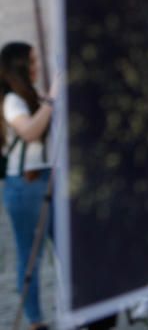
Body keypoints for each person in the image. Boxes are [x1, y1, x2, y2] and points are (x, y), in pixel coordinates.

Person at [2, 42, 54, 330]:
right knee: (29, 254)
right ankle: (36, 321)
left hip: (46, 178)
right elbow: (30, 131)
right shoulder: (12, 101)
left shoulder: (33, 95)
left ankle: (81, 310)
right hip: (24, 184)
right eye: (32, 61)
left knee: (66, 248)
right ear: (20, 66)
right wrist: (51, 101)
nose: (37, 66)